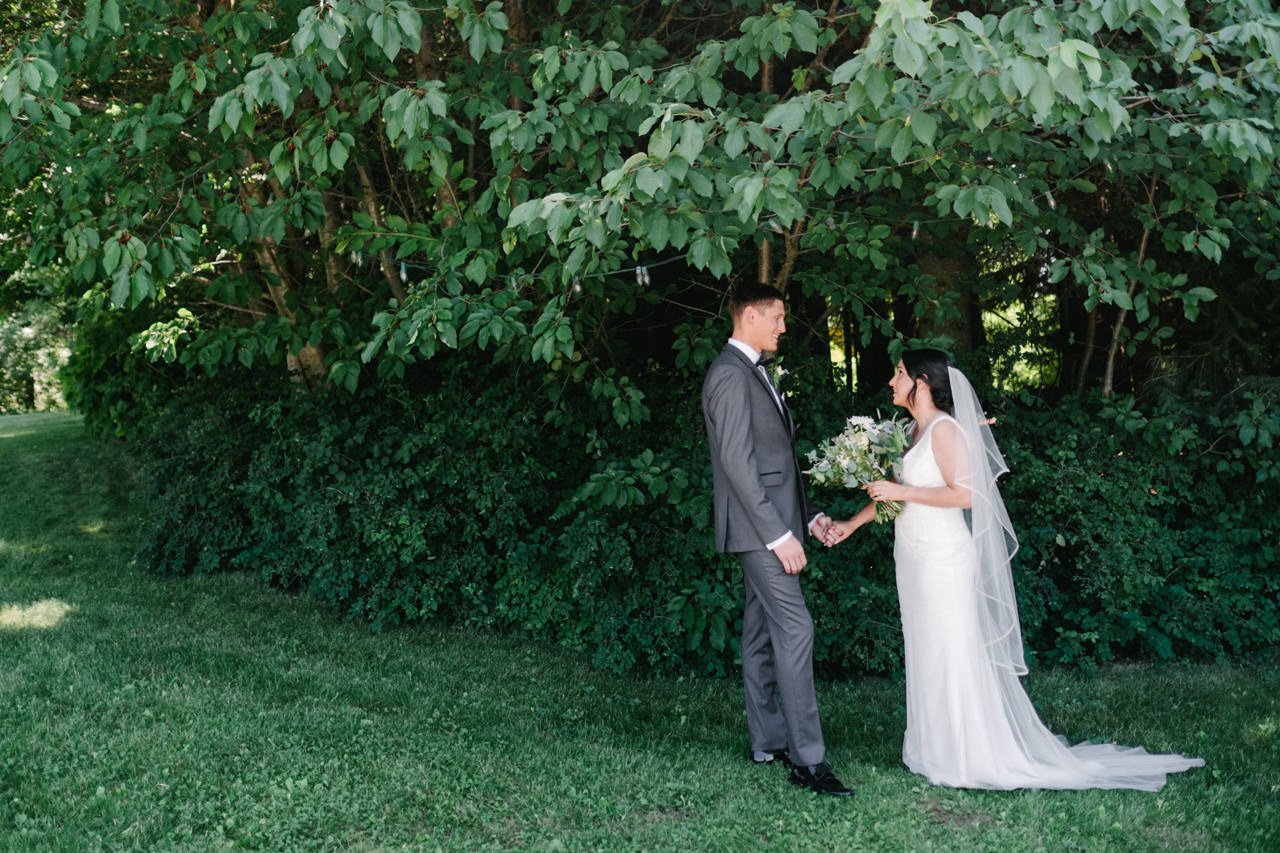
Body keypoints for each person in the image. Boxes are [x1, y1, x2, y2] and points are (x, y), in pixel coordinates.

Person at [823, 349, 1204, 790]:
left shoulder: (945, 431)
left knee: (951, 648)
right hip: (913, 555)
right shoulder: (910, 430)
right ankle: (933, 747)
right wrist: (852, 522)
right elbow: (896, 495)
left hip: (943, 557)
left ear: (922, 382)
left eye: (900, 373)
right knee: (926, 647)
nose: (892, 380)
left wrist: (902, 493)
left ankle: (967, 755)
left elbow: (965, 496)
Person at [701, 283, 853, 797]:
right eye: (778, 318)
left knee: (763, 634)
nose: (784, 327)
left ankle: (767, 741)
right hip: (758, 531)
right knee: (796, 628)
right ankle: (809, 760)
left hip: (775, 523)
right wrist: (778, 536)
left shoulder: (755, 373)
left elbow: (776, 466)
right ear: (749, 315)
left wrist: (807, 519)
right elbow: (739, 468)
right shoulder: (728, 375)